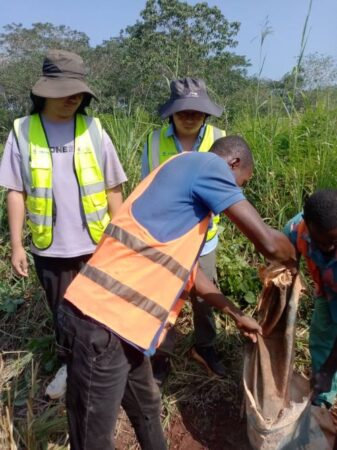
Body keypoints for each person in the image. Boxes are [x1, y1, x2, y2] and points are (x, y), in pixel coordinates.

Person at [59, 135, 296, 450]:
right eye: (243, 182)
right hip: (101, 324)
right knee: (92, 440)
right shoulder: (208, 166)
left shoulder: (182, 177)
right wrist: (294, 255)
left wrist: (236, 314)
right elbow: (268, 243)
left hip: (124, 329)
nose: (239, 190)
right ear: (234, 163)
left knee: (146, 408)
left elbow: (191, 275)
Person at [0, 49, 127, 399]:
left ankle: (105, 366)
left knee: (103, 307)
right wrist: (15, 245)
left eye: (78, 91)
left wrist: (122, 238)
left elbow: (113, 187)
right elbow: (15, 192)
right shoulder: (22, 132)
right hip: (50, 247)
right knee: (63, 312)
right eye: (64, 90)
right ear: (43, 90)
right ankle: (70, 364)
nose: (73, 97)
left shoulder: (93, 129)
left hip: (98, 244)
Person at [142, 77, 227, 378]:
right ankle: (161, 354)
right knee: (165, 297)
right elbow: (145, 190)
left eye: (196, 111)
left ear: (206, 113)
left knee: (205, 297)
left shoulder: (219, 138)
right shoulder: (153, 142)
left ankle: (205, 347)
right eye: (183, 111)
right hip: (167, 238)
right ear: (171, 113)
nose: (190, 117)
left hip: (205, 239)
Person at [284, 189, 337, 408]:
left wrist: (326, 370)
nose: (329, 248)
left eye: (335, 241)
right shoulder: (296, 230)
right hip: (327, 292)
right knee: (321, 338)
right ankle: (323, 399)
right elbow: (284, 262)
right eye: (323, 242)